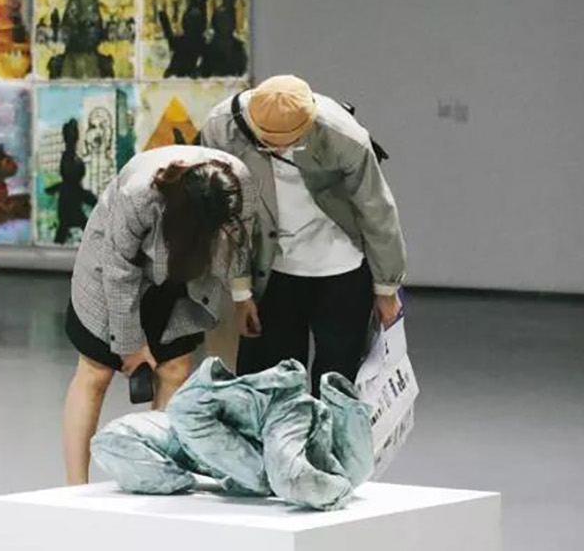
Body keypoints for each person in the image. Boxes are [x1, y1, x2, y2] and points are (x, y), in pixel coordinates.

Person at [198, 75, 406, 393]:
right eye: (269, 141)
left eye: (293, 140)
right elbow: (226, 218)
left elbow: (376, 210)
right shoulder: (221, 130)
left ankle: (330, 428)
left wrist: (387, 289)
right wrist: (240, 292)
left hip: (343, 265)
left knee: (338, 383)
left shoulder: (344, 136)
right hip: (272, 269)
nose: (281, 148)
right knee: (270, 384)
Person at [62, 145, 254, 486]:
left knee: (175, 369)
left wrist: (242, 296)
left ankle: (159, 474)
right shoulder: (140, 194)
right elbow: (118, 270)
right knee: (95, 373)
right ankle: (75, 488)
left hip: (185, 273)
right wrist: (130, 346)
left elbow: (241, 241)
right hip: (111, 270)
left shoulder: (238, 185)